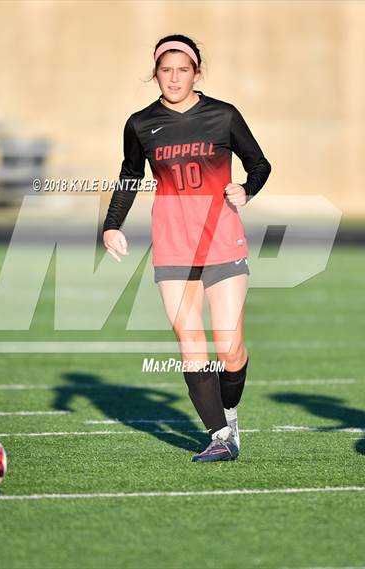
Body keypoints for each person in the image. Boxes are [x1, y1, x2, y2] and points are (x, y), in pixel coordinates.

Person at [102, 34, 271, 462]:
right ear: (155, 73)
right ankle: (220, 436)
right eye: (165, 70)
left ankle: (229, 413)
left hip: (221, 240)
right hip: (173, 245)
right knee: (190, 341)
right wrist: (111, 226)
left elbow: (259, 163)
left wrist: (246, 189)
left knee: (229, 346)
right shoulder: (141, 124)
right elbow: (129, 175)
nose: (174, 78)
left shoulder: (223, 115)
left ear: (197, 72)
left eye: (183, 69)